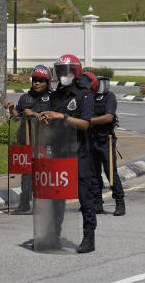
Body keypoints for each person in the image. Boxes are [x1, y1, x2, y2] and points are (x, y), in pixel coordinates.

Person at [41, 54, 98, 253]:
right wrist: (46, 120)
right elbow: (51, 120)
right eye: (60, 72)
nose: (63, 75)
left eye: (67, 72)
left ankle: (88, 238)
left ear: (76, 73)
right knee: (56, 197)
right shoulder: (55, 96)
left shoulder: (84, 95)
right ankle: (53, 236)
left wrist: (62, 116)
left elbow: (84, 124)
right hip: (59, 152)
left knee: (85, 197)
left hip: (79, 152)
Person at [5, 65, 52, 214]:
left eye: (41, 80)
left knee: (43, 174)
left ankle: (43, 204)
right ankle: (24, 204)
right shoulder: (25, 97)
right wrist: (12, 108)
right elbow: (17, 117)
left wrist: (34, 114)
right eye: (35, 80)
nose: (37, 83)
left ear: (47, 82)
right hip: (26, 142)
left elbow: (52, 118)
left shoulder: (53, 98)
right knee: (26, 175)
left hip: (44, 142)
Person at [86, 72, 125, 216]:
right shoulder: (88, 98)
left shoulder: (110, 97)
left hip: (106, 140)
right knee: (93, 173)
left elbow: (108, 117)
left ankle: (119, 202)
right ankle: (97, 203)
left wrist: (90, 120)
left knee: (111, 173)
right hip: (91, 139)